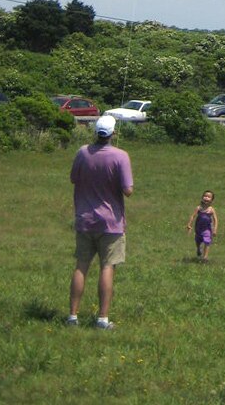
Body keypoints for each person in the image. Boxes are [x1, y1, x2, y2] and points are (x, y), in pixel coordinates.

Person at [67, 114, 133, 329]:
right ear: (114, 133)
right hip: (110, 223)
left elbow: (74, 178)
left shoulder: (82, 152)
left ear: (96, 132)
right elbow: (128, 190)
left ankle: (72, 317)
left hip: (85, 219)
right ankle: (102, 319)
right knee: (107, 266)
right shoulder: (121, 156)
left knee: (81, 266)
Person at [186, 190, 218, 262]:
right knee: (198, 241)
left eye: (208, 197)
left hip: (207, 229)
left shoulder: (211, 209)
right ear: (202, 197)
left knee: (207, 241)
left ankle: (205, 258)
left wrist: (215, 229)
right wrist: (189, 224)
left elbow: (215, 220)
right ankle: (198, 248)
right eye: (205, 196)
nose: (206, 198)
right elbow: (193, 216)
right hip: (198, 228)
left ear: (211, 200)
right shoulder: (199, 208)